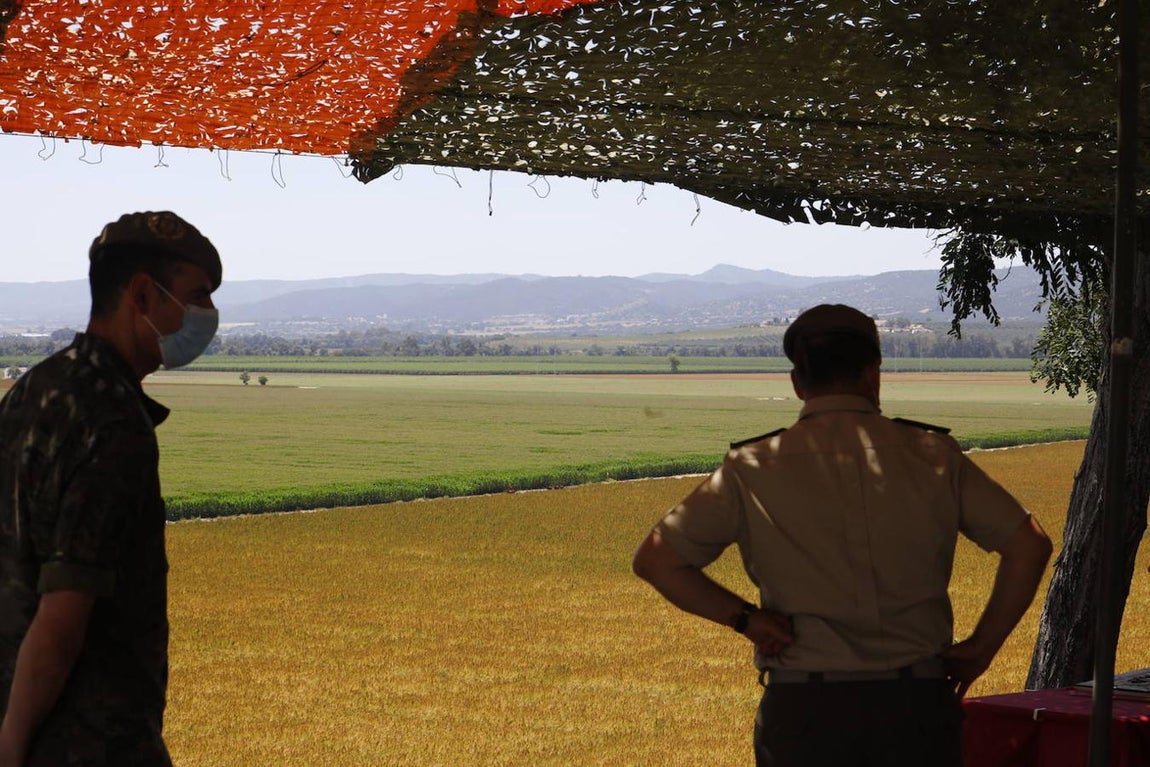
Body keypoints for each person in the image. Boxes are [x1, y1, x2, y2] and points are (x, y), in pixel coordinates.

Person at [632, 303, 1053, 767]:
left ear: (797, 383)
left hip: (806, 714)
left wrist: (747, 620)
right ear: (873, 373)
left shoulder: (751, 466)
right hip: (916, 709)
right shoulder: (934, 454)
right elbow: (1028, 544)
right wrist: (980, 649)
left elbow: (656, 560)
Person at [0, 211, 222, 767]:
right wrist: (12, 748)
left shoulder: (36, 388)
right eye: (196, 297)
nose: (208, 316)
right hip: (88, 742)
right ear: (143, 294)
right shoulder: (116, 423)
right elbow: (63, 619)